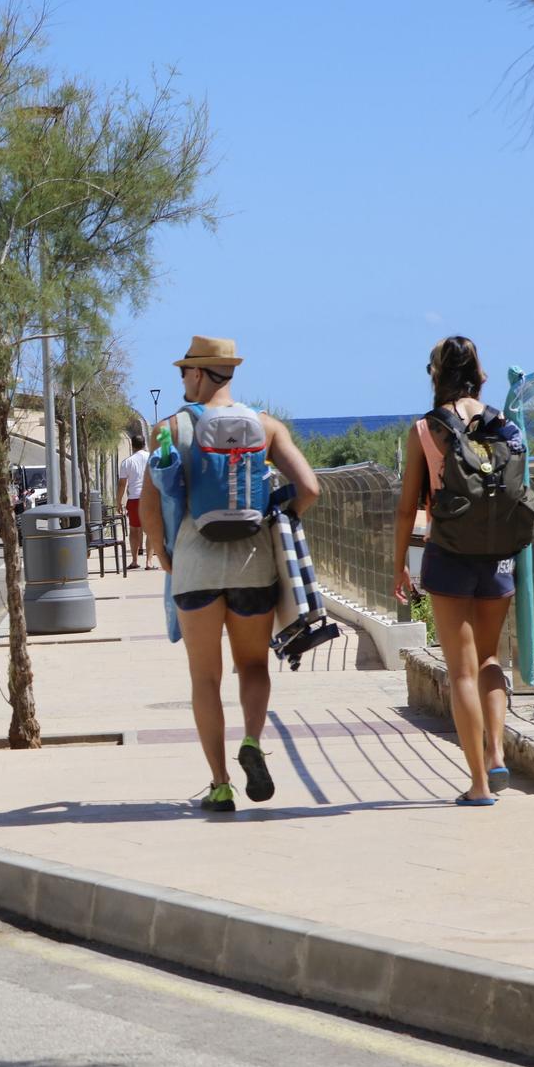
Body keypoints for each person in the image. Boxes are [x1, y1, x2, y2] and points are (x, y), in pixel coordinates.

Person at [141, 336, 321, 814]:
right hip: (253, 561)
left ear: (200, 374)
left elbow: (150, 506)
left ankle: (220, 785)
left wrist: (163, 554)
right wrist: (275, 515)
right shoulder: (265, 426)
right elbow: (310, 488)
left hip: (195, 563)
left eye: (184, 372)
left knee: (205, 678)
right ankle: (253, 743)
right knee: (255, 666)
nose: (181, 380)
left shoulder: (169, 429)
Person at [394, 336, 521, 806]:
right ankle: (497, 752)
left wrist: (399, 566)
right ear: (479, 372)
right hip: (498, 553)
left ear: (436, 374)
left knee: (461, 672)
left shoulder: (425, 430)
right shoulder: (502, 423)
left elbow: (409, 506)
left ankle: (479, 784)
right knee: (490, 661)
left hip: (446, 552)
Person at [118, 428, 151, 570]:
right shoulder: (152, 458)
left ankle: (134, 560)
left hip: (134, 499)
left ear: (132, 445)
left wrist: (118, 501)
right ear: (144, 444)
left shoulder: (127, 462)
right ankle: (149, 562)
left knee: (134, 530)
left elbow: (122, 484)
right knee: (150, 531)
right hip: (150, 498)